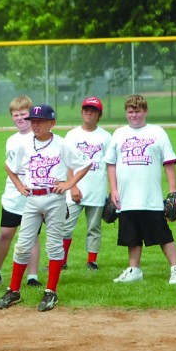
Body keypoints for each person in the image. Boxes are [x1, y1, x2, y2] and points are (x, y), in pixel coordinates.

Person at [0, 104, 91, 312]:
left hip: (54, 198)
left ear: (52, 123)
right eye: (33, 121)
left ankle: (51, 291)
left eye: (40, 121)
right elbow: (9, 166)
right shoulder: (25, 144)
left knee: (54, 245)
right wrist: (20, 185)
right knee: (22, 245)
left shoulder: (62, 144)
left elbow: (85, 163)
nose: (35, 124)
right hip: (32, 199)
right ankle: (14, 290)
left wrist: (69, 184)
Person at [103, 94, 176, 284]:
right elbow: (111, 163)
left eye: (138, 111)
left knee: (162, 233)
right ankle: (134, 270)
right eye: (130, 111)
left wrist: (173, 190)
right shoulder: (119, 134)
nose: (134, 115)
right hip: (126, 196)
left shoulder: (157, 132)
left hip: (150, 195)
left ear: (145, 111)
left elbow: (169, 162)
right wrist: (113, 190)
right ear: (126, 113)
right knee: (130, 235)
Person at [0, 96, 42, 291]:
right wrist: (17, 186)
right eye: (15, 115)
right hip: (13, 195)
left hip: (35, 194)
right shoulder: (12, 140)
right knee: (6, 232)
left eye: (23, 114)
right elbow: (10, 167)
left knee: (31, 235)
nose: (19, 118)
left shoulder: (39, 136)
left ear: (31, 114)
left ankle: (32, 277)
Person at [62, 97, 111, 270]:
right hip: (73, 189)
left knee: (94, 227)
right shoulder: (72, 135)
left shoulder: (106, 137)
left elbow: (111, 165)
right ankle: (62, 261)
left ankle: (92, 261)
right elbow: (66, 163)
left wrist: (113, 191)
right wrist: (72, 186)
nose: (89, 113)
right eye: (86, 109)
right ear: (82, 112)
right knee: (65, 227)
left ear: (99, 114)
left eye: (94, 110)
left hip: (97, 189)